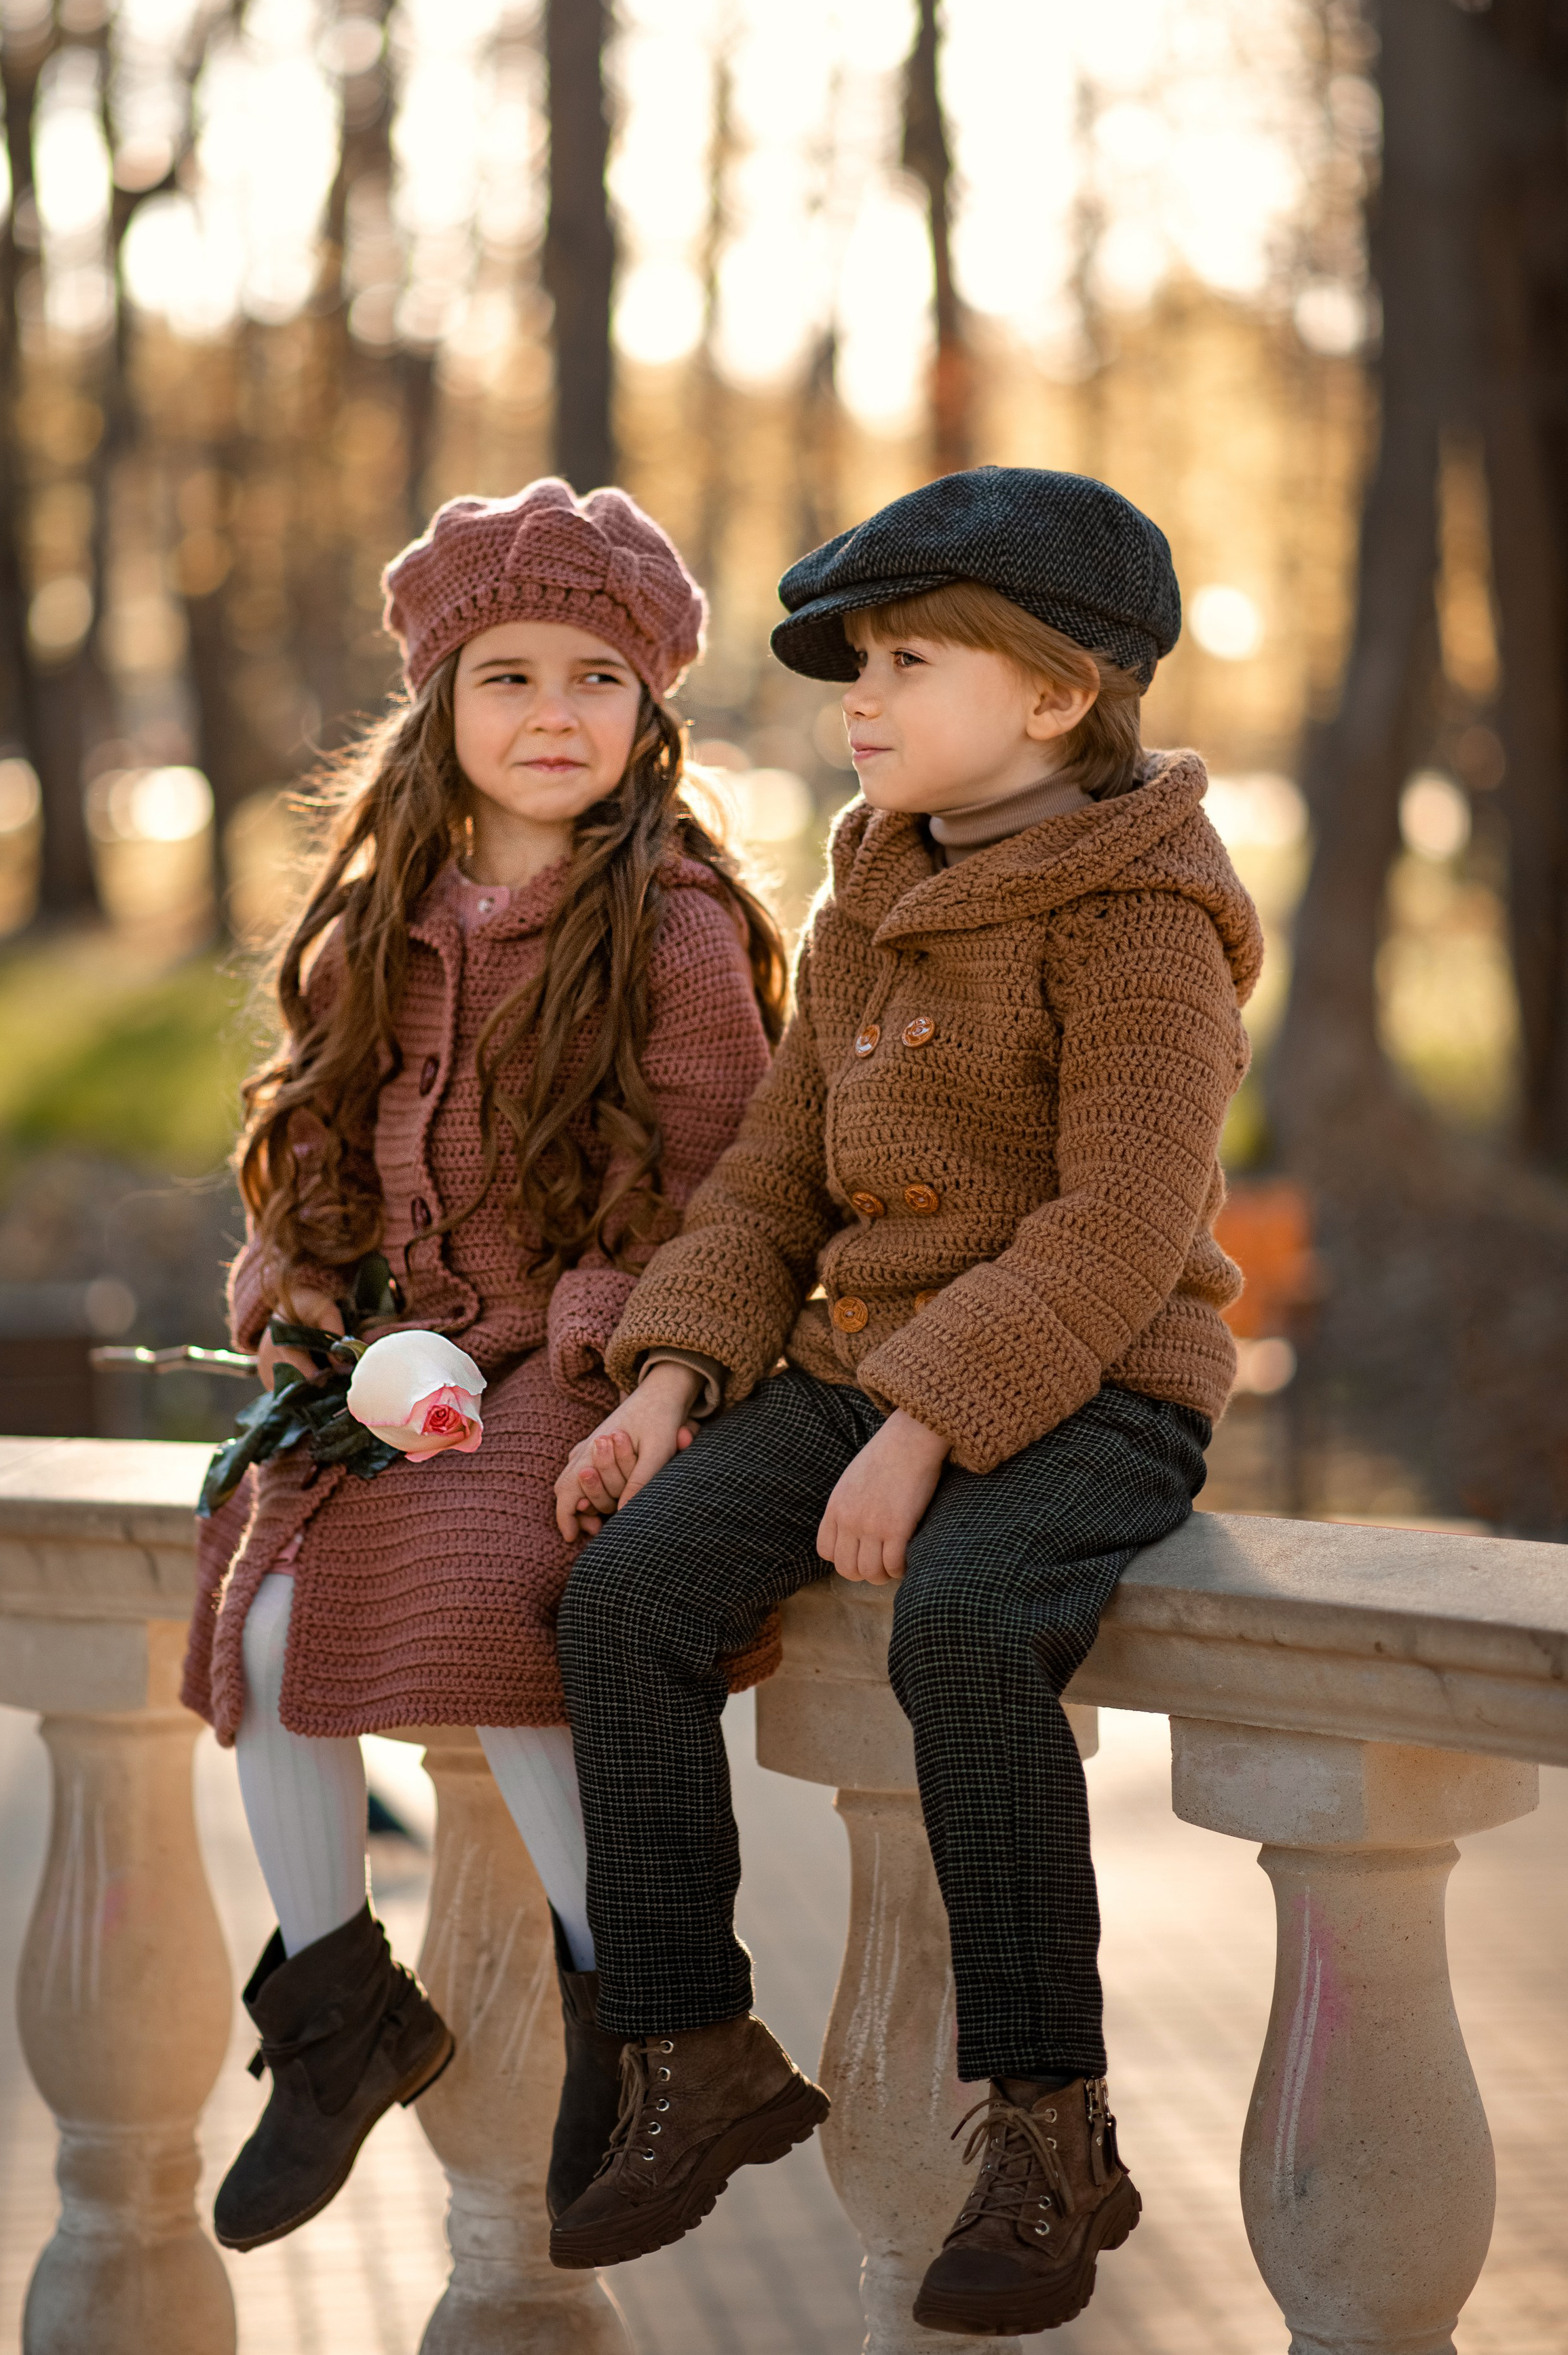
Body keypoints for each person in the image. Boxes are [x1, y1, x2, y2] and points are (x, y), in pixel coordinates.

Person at [548, 465, 1262, 2337]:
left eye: (910, 656)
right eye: (856, 660)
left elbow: (1125, 1221)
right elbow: (778, 1173)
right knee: (624, 1592)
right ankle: (692, 2040)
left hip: (1089, 1384)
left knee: (960, 1616)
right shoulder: (874, 889)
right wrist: (677, 1376)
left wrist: (932, 1423)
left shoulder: (1146, 916)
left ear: (1055, 691)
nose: (859, 696)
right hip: (861, 1378)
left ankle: (1050, 2121)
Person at [179, 477, 785, 2253]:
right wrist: (299, 1293)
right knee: (260, 1606)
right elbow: (311, 1158)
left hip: (583, 1350)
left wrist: (588, 1335)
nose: (551, 713)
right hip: (393, 1359)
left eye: (595, 675)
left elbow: (724, 1195)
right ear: (442, 704)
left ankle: (639, 2018)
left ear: (650, 707)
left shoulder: (672, 932)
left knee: (510, 1594)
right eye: (506, 674)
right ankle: (336, 1998)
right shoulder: (384, 927)